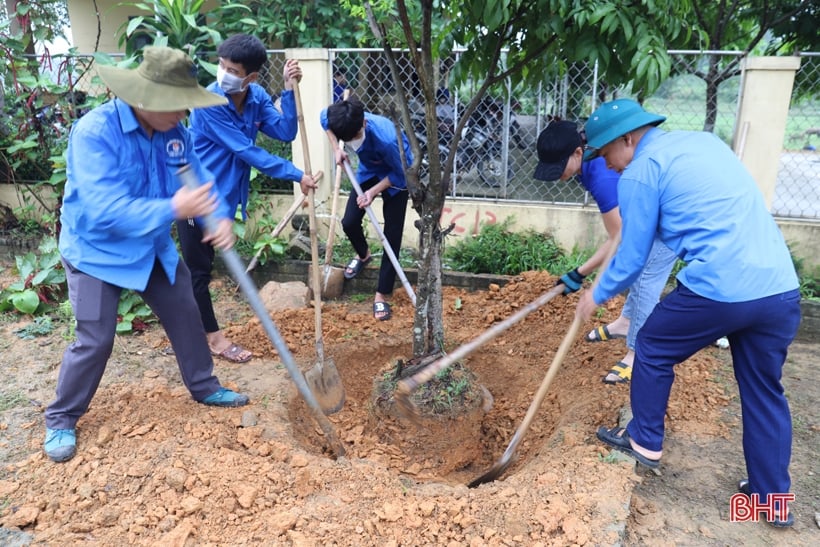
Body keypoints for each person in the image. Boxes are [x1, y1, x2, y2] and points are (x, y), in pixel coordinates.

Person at [577, 98, 801, 527]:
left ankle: (643, 441)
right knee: (763, 391)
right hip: (778, 290)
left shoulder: (640, 171)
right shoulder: (703, 143)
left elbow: (633, 254)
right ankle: (771, 499)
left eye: (606, 155)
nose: (607, 167)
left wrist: (596, 294)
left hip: (721, 287)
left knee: (653, 344)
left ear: (629, 138)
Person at [44, 46, 251, 464]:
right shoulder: (95, 134)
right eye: (176, 106)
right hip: (95, 250)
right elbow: (106, 209)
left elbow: (198, 174)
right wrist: (177, 209)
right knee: (96, 339)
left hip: (150, 245)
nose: (183, 115)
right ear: (144, 101)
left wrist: (218, 214)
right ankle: (61, 416)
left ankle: (205, 386)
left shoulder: (174, 131)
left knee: (185, 312)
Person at [187, 34, 319, 363]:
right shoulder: (208, 104)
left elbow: (286, 132)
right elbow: (248, 151)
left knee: (202, 269)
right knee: (200, 272)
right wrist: (297, 174)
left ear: (252, 77)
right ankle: (213, 341)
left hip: (225, 199)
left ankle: (187, 326)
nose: (223, 73)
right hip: (197, 196)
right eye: (221, 66)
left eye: (232, 69)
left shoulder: (257, 96)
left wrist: (288, 91)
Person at [534, 120, 678, 384]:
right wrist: (579, 273)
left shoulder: (602, 175)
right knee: (638, 272)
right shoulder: (588, 168)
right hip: (647, 215)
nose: (556, 175)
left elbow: (620, 239)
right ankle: (625, 322)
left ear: (578, 153)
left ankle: (636, 354)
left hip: (668, 219)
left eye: (559, 166)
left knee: (645, 278)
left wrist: (582, 274)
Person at [320, 97, 412, 321]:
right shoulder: (340, 117)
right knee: (349, 222)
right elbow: (324, 120)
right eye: (346, 140)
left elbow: (403, 173)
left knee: (391, 236)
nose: (351, 143)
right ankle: (364, 255)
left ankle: (381, 294)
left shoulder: (388, 139)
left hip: (396, 178)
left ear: (363, 125)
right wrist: (336, 149)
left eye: (353, 139)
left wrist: (372, 193)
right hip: (368, 172)